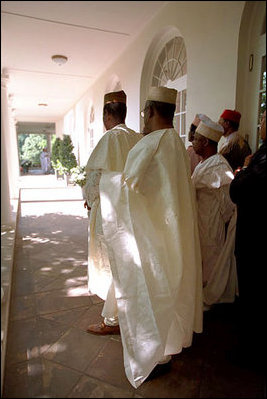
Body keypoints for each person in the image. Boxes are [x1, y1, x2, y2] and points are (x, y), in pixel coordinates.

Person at [93, 86, 203, 388]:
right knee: (169, 287)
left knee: (151, 291)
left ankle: (153, 355)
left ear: (150, 111)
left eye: (144, 112)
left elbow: (127, 192)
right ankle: (165, 351)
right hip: (171, 233)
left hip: (151, 238)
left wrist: (103, 182)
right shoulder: (178, 144)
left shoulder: (150, 144)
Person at [83, 90, 142, 334]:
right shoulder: (138, 137)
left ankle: (113, 319)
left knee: (110, 262)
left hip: (110, 213)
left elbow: (95, 178)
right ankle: (126, 312)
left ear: (108, 114)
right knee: (128, 262)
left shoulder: (110, 138)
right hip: (133, 212)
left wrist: (88, 199)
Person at [229, 110, 266, 369]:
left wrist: (242, 170)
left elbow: (240, 189)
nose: (261, 121)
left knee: (254, 297)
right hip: (255, 238)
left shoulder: (262, 158)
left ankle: (251, 352)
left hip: (257, 240)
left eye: (263, 118)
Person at [191, 119, 238, 306]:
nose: (192, 142)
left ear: (205, 142)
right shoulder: (205, 163)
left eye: (196, 139)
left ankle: (210, 299)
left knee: (211, 259)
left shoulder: (218, 166)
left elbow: (228, 203)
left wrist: (217, 220)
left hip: (211, 223)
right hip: (201, 221)